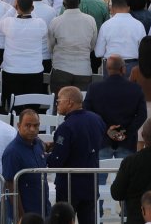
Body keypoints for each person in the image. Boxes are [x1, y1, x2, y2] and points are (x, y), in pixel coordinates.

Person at [47, 86, 106, 224]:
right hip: (91, 184)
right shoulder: (96, 119)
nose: (57, 104)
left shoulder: (66, 127)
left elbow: (56, 161)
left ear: (69, 102)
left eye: (59, 101)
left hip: (70, 187)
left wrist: (42, 155)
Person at [86, 54, 147, 160]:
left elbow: (87, 112)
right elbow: (142, 115)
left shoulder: (94, 88)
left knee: (99, 176)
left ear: (107, 69)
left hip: (102, 140)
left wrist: (106, 130)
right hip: (126, 141)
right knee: (127, 175)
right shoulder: (135, 89)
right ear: (123, 69)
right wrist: (126, 132)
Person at [1, 107, 50, 221]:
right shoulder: (12, 152)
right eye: (28, 125)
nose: (32, 129)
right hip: (26, 214)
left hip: (43, 209)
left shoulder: (38, 143)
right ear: (19, 126)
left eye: (36, 125)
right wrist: (21, 218)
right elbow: (11, 187)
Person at [48, 0, 98, 92]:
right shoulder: (90, 20)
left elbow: (50, 47)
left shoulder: (55, 22)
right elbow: (92, 45)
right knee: (80, 104)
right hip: (83, 69)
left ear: (63, 4)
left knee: (60, 104)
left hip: (61, 69)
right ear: (79, 2)